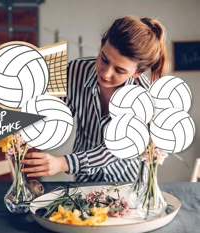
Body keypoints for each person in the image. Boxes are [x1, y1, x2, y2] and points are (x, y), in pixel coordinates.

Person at [20, 16, 169, 182]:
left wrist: (63, 163)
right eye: (104, 59)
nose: (105, 73)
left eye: (119, 70)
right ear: (101, 44)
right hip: (84, 180)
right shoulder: (76, 72)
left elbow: (114, 149)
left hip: (127, 182)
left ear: (137, 73)